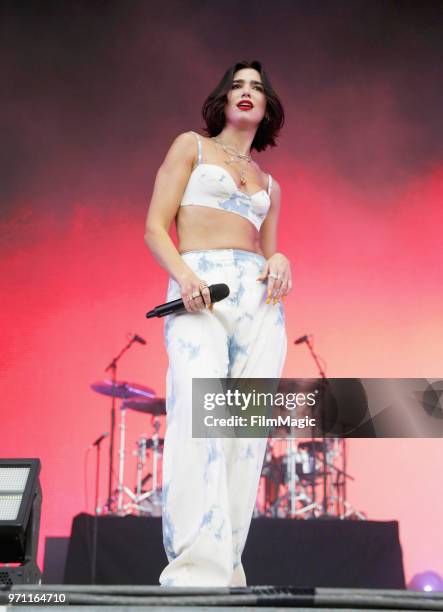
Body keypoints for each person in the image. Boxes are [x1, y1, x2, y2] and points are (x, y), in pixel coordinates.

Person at [144, 59, 292, 587]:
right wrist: (184, 276)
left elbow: (268, 250)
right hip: (199, 286)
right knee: (196, 420)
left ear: (267, 106)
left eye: (257, 87)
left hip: (258, 298)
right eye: (238, 85)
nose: (247, 92)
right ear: (223, 99)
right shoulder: (191, 146)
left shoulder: (270, 185)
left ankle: (226, 563)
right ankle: (192, 568)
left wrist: (280, 260)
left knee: (244, 434)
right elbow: (155, 228)